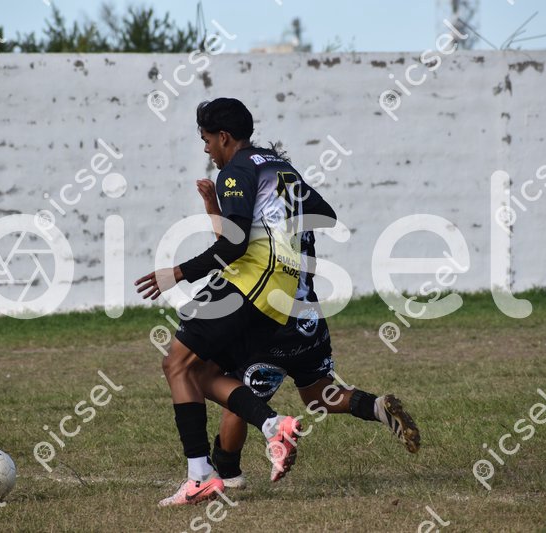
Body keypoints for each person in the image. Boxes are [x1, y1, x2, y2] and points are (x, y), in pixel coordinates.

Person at [135, 98, 321, 506]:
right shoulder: (279, 166)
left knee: (175, 364)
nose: (206, 149)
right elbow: (322, 212)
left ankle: (202, 474)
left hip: (251, 280)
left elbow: (234, 246)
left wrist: (177, 273)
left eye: (206, 140)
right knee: (200, 372)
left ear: (223, 136)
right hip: (281, 290)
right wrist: (223, 211)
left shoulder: (236, 169)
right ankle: (270, 427)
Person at [191, 178, 421, 489]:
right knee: (318, 395)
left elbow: (231, 249)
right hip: (309, 320)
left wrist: (211, 206)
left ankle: (228, 475)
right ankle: (377, 407)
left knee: (238, 397)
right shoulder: (299, 210)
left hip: (273, 324)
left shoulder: (260, 216)